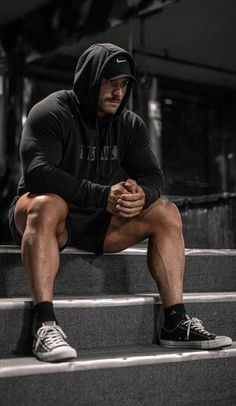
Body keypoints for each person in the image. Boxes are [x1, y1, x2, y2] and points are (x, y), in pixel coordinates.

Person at [9, 43, 232, 363]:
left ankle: (175, 322)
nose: (118, 91)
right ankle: (44, 324)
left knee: (166, 212)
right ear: (90, 80)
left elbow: (154, 176)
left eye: (124, 84)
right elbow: (37, 174)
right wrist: (103, 195)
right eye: (109, 82)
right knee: (47, 203)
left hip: (98, 224)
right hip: (49, 221)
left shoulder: (129, 124)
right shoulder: (52, 111)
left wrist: (143, 194)